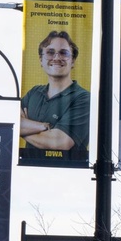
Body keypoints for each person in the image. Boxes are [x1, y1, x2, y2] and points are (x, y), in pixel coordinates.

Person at [19, 31, 91, 160]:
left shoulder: (84, 98)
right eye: (50, 52)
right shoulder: (33, 93)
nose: (56, 58)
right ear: (41, 60)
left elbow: (59, 143)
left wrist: (23, 128)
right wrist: (42, 127)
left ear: (73, 61)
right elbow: (10, 120)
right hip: (28, 169)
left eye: (64, 53)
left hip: (67, 170)